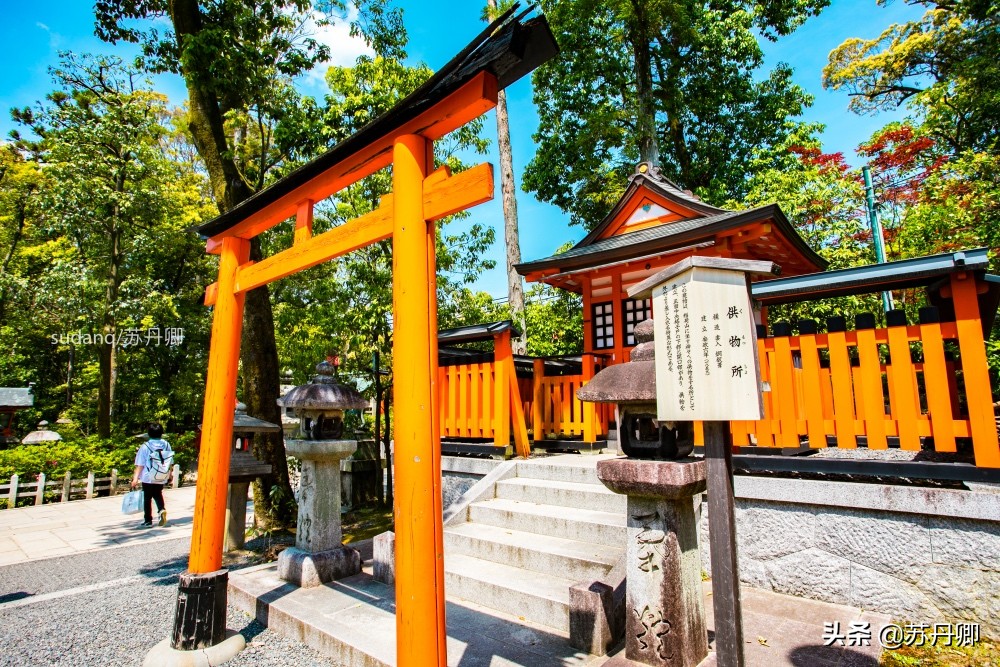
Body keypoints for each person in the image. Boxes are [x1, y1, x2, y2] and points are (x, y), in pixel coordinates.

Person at [131, 422, 173, 528]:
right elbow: (170, 461)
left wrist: (135, 478)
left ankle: (148, 520)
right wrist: (170, 474)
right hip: (161, 474)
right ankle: (161, 510)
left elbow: (140, 464)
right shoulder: (167, 444)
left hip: (148, 476)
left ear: (149, 433)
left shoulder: (145, 446)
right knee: (158, 494)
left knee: (147, 497)